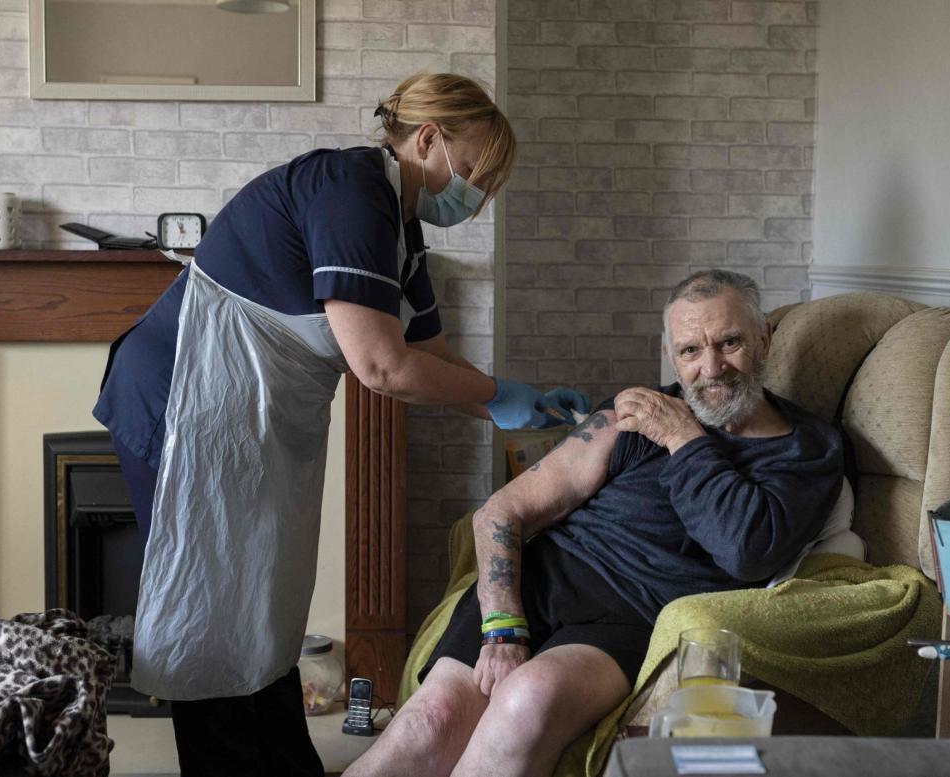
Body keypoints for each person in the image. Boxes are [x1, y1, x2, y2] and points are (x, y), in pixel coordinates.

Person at [92, 72, 589, 777]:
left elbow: (429, 358)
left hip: (242, 413)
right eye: (475, 171)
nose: (478, 196)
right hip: (181, 395)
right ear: (427, 139)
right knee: (212, 611)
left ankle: (284, 760)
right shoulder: (350, 189)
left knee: (258, 603)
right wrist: (496, 392)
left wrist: (512, 399)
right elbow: (381, 365)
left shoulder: (401, 231)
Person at [344, 270, 844, 777]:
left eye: (729, 342)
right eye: (690, 350)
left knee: (526, 699)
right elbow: (501, 512)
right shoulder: (632, 414)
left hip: (637, 618)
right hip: (539, 586)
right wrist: (502, 631)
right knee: (426, 724)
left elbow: (744, 550)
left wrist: (683, 437)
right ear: (673, 357)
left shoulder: (805, 450)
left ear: (763, 341)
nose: (711, 367)